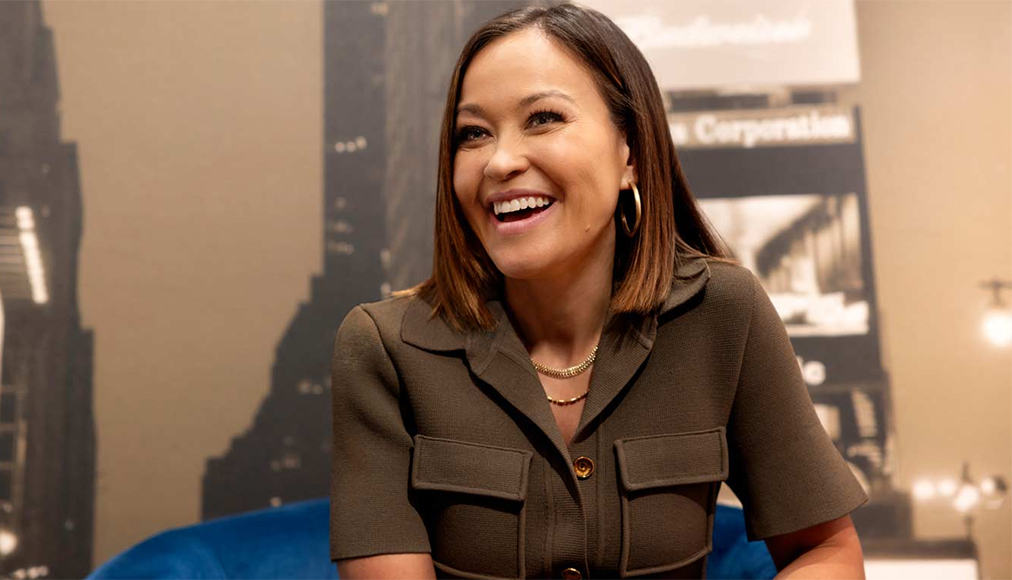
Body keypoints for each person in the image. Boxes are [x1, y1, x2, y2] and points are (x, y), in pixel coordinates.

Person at [329, 4, 868, 579]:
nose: (500, 161)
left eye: (543, 119)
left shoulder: (722, 313)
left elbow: (825, 552)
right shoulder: (384, 347)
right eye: (474, 134)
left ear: (629, 154)